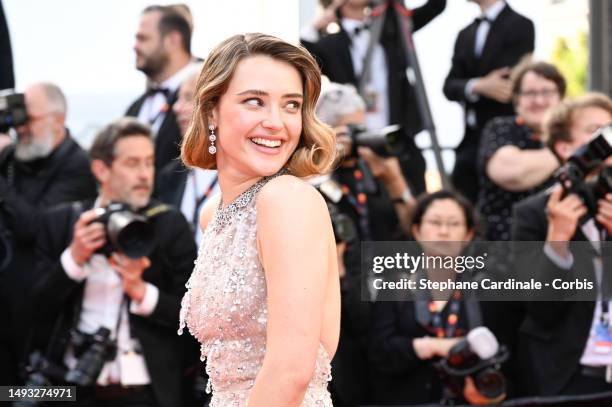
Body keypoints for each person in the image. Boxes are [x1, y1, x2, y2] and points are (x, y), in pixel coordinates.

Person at [178, 33, 340, 406]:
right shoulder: (213, 215)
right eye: (255, 101)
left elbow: (291, 371)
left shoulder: (287, 199)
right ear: (211, 109)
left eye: (290, 105)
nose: (276, 123)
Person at [28, 117, 198, 407]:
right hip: (71, 389)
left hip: (147, 391)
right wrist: (74, 259)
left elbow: (193, 316)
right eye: (132, 164)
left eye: (149, 163)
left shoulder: (169, 225)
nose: (145, 174)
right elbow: (33, 310)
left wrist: (141, 291)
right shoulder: (63, 222)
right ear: (101, 169)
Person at [314, 82, 414, 406]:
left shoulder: (377, 170)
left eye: (361, 127)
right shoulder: (311, 178)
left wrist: (394, 181)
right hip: (340, 312)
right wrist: (325, 161)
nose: (356, 138)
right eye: (347, 129)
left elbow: (418, 234)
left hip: (386, 304)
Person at [512, 93, 612, 396]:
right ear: (565, 148)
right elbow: (541, 311)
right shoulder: (532, 214)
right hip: (567, 374)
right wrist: (557, 241)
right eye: (597, 130)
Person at [0, 82, 97, 386]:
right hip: (6, 307)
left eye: (29, 119)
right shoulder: (13, 157)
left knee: (29, 396)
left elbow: (37, 228)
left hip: (41, 314)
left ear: (58, 119)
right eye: (18, 119)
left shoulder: (78, 165)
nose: (21, 128)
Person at [369, 190, 504, 405]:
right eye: (435, 222)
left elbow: (504, 351)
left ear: (468, 235)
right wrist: (433, 346)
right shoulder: (395, 285)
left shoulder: (485, 290)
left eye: (453, 224)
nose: (443, 231)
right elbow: (379, 352)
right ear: (417, 230)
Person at [301, 0, 447, 195]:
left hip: (399, 139)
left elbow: (436, 6)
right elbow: (304, 60)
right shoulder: (330, 43)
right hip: (356, 145)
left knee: (414, 197)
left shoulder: (392, 27)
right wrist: (318, 23)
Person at [444, 0, 535, 203]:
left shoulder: (520, 25)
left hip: (504, 140)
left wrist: (471, 86)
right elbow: (449, 87)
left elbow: (505, 85)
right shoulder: (465, 33)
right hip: (469, 139)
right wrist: (479, 85)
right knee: (462, 202)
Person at [477, 61, 566, 241]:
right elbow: (512, 173)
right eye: (530, 93)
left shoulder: (570, 134)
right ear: (517, 100)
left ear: (561, 98)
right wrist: (571, 152)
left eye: (547, 92)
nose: (539, 101)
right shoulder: (501, 127)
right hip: (504, 246)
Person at [126, 4, 197, 172]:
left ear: (173, 40)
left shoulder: (210, 86)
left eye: (143, 39)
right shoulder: (136, 107)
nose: (135, 46)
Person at [155, 65, 220, 245]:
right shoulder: (170, 176)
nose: (176, 107)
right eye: (178, 98)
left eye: (188, 97)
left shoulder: (244, 173)